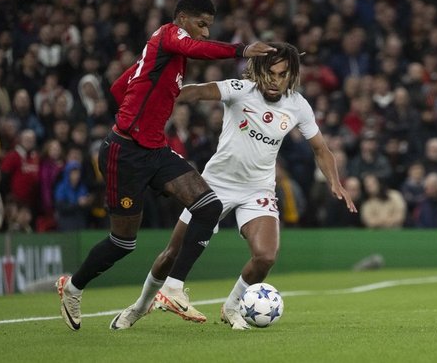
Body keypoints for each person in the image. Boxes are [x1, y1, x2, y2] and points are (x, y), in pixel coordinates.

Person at [55, 0, 275, 331]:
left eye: (209, 26)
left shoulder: (161, 58)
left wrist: (141, 106)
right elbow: (196, 49)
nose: (204, 32)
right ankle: (72, 287)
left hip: (154, 150)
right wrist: (241, 50)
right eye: (201, 24)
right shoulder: (168, 35)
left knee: (208, 206)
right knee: (122, 243)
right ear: (183, 19)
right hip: (124, 153)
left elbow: (119, 87)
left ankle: (173, 288)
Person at [109, 42, 357, 331]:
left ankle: (231, 307)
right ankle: (140, 306)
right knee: (172, 253)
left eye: (283, 75)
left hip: (258, 189)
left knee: (265, 257)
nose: (275, 81)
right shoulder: (240, 89)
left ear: (292, 76)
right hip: (215, 184)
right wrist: (160, 95)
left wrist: (335, 181)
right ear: (260, 71)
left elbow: (321, 149)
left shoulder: (298, 105)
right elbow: (198, 92)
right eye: (271, 73)